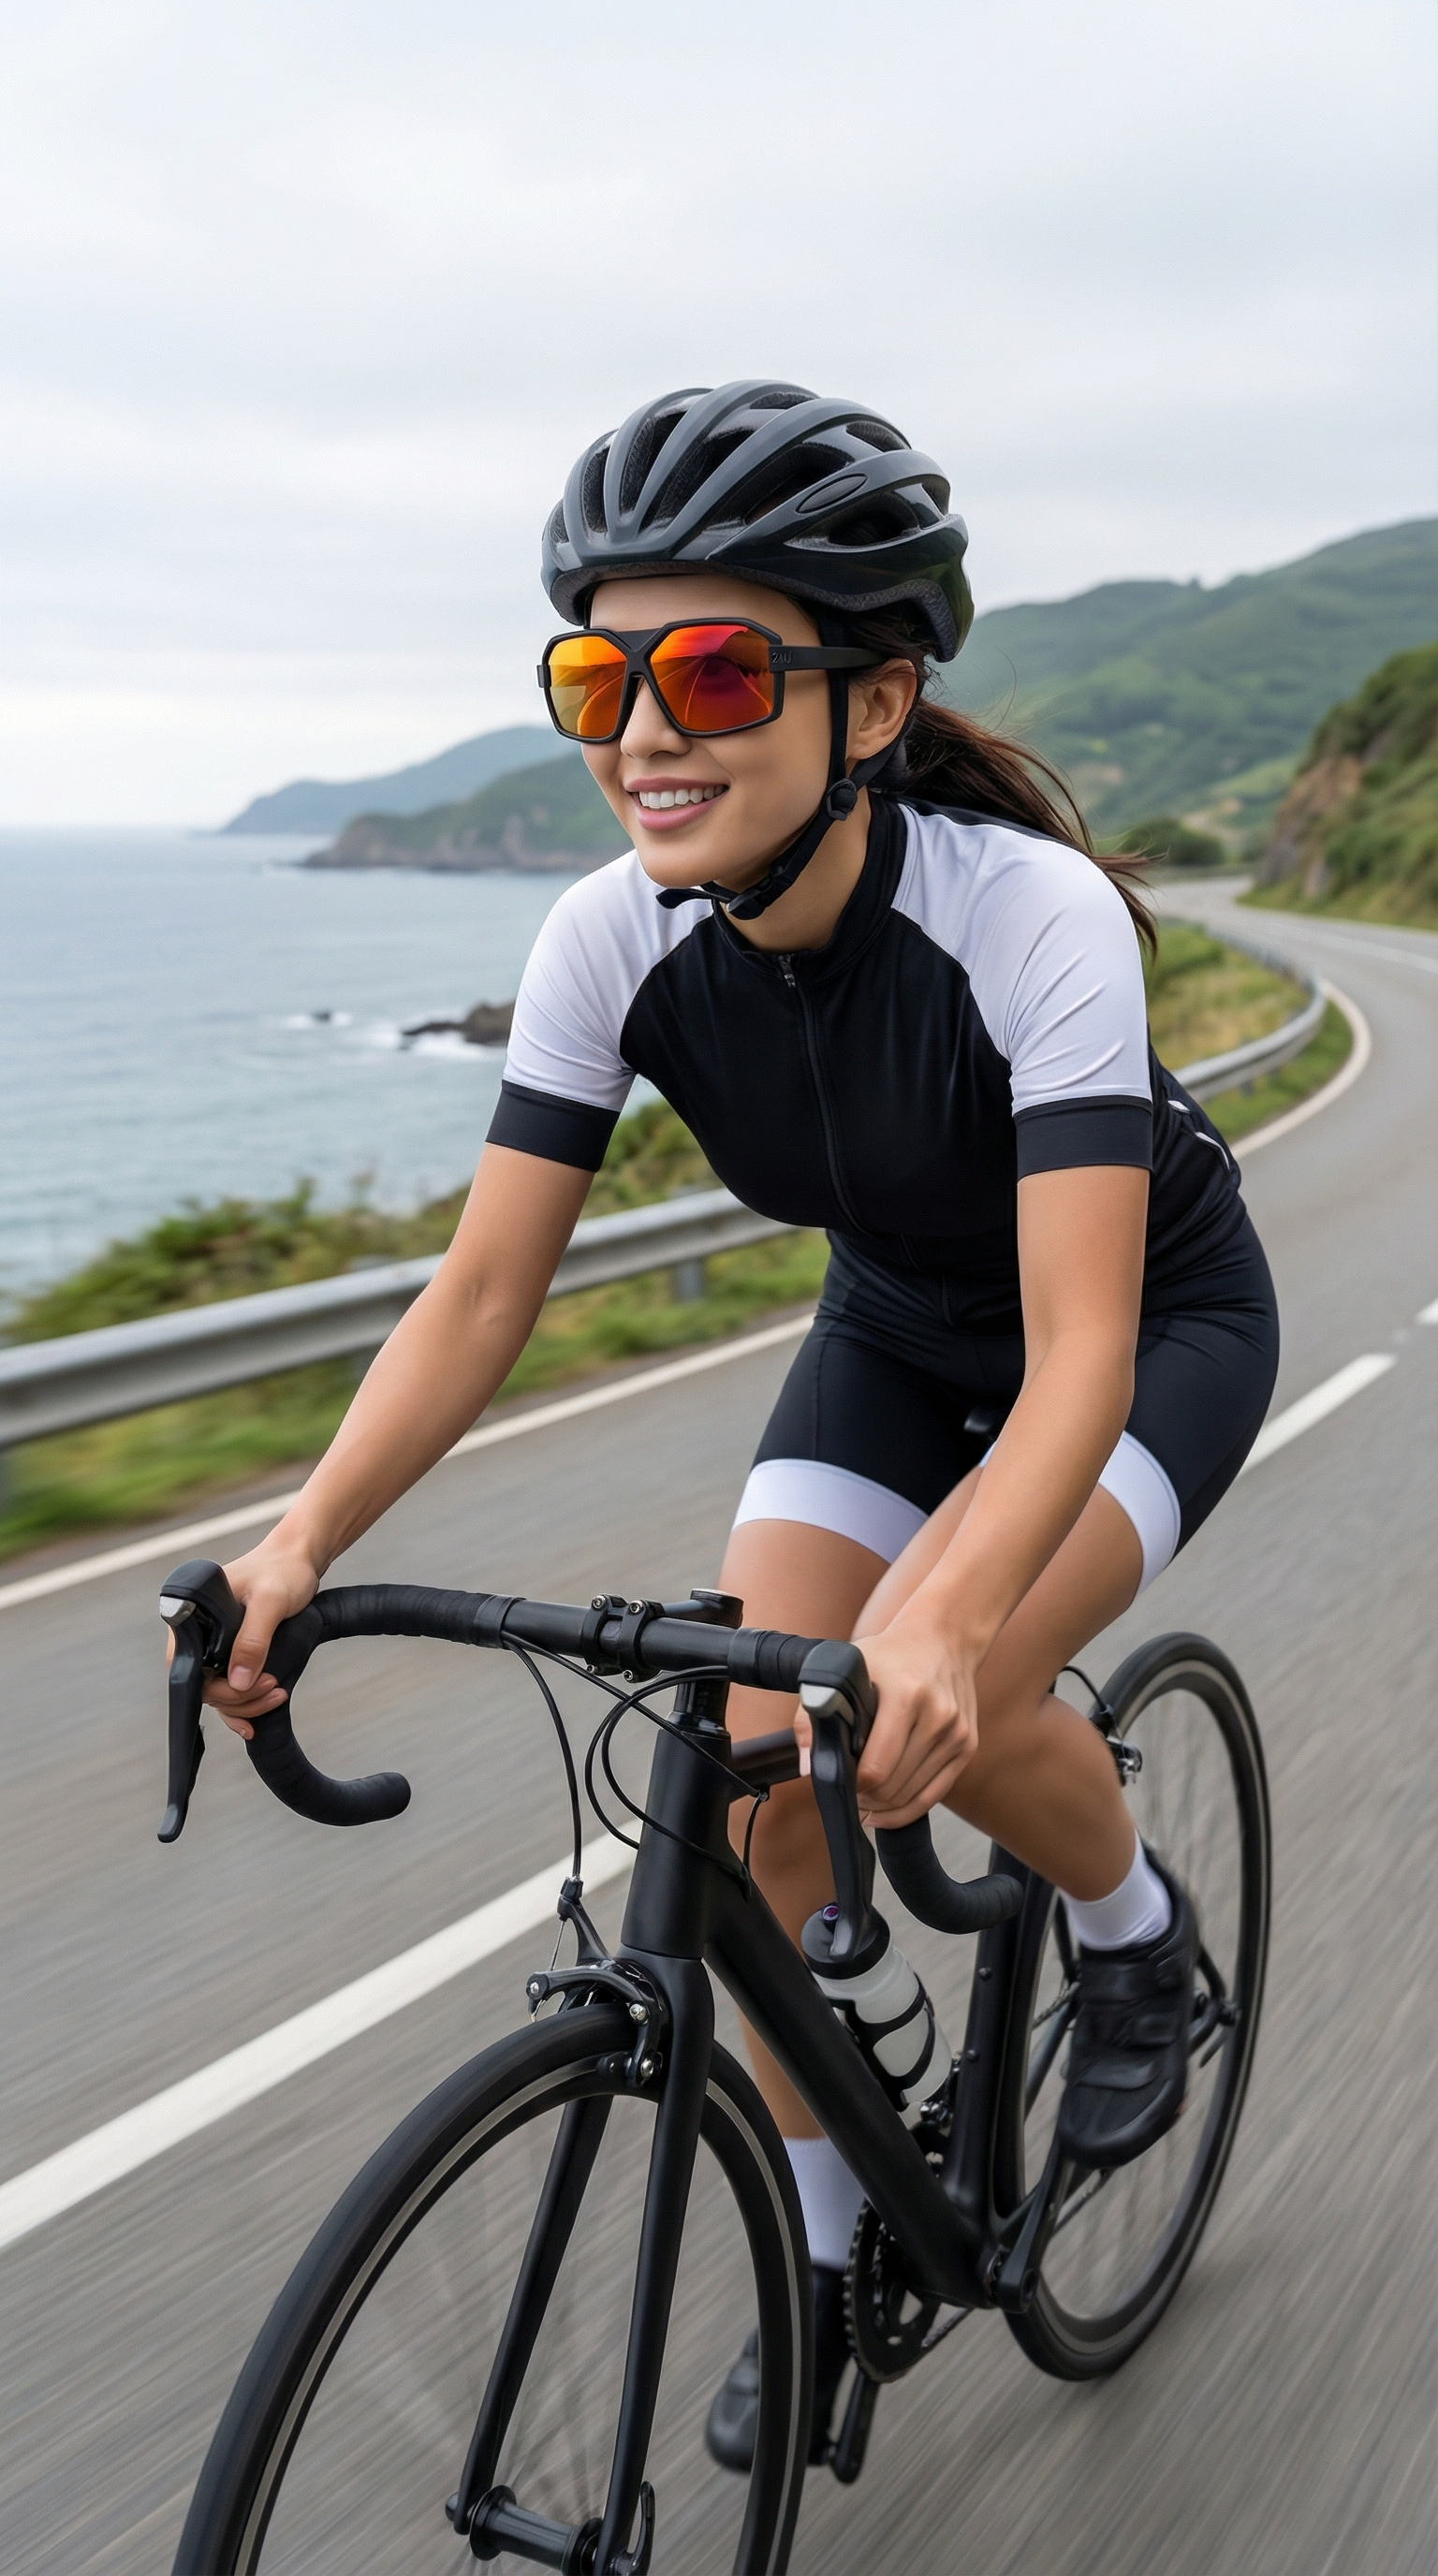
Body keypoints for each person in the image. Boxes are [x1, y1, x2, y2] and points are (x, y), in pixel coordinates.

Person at [193, 382, 1280, 2469]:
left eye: (710, 669)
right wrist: (300, 1533)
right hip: (889, 1321)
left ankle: (1139, 1941)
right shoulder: (611, 933)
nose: (641, 731)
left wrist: (950, 1619)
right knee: (767, 1762)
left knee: (975, 1665)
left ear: (872, 705)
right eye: (602, 672)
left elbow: (1077, 1357)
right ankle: (823, 2233)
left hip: (1143, 1319)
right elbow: (487, 1288)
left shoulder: (1022, 916)